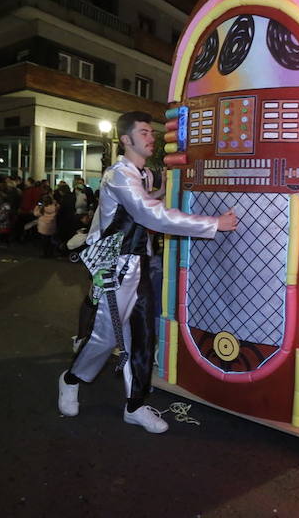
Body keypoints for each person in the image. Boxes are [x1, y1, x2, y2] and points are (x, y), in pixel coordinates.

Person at [57, 111, 238, 434]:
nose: (151, 138)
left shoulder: (139, 176)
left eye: (151, 132)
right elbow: (149, 215)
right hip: (115, 269)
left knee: (143, 336)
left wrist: (160, 191)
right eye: (143, 132)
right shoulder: (119, 175)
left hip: (139, 264)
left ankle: (135, 404)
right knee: (105, 336)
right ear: (126, 139)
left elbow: (140, 207)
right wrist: (214, 223)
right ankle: (71, 379)